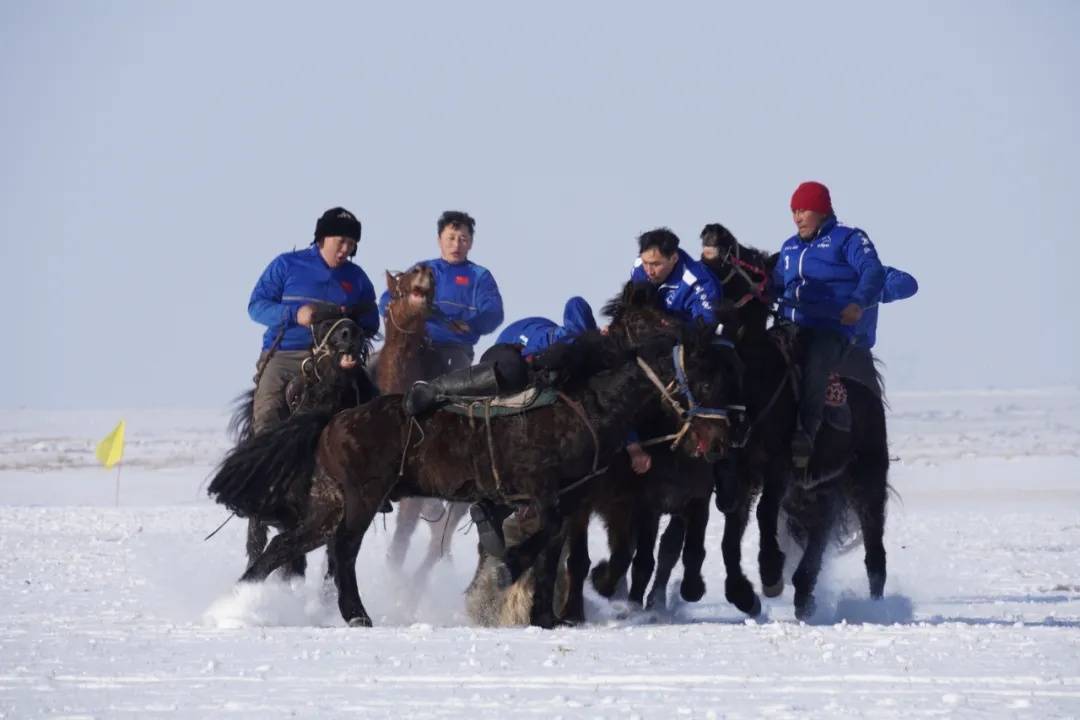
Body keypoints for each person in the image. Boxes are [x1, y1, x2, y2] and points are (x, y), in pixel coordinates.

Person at [770, 181, 885, 469]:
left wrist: (857, 303)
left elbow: (872, 271)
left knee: (816, 362)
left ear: (821, 210)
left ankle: (806, 435)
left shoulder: (848, 239)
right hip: (789, 325)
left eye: (804, 210)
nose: (797, 217)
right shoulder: (789, 247)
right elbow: (774, 284)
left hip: (830, 329)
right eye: (794, 211)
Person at [248, 206, 379, 434]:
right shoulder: (286, 265)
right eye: (341, 241)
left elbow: (371, 322)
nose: (345, 249)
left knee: (370, 416)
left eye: (351, 244)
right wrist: (294, 314)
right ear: (322, 238)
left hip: (335, 358)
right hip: (286, 354)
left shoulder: (357, 278)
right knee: (267, 417)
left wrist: (352, 343)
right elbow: (256, 307)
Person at [623, 228, 725, 475]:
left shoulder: (699, 282)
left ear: (674, 258)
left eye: (656, 264)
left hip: (689, 345)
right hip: (652, 341)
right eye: (646, 263)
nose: (649, 270)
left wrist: (672, 328)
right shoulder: (641, 267)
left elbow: (708, 326)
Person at [389, 210, 505, 411]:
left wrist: (472, 325)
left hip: (454, 349)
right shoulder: (422, 270)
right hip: (415, 344)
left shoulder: (479, 276)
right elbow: (391, 296)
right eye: (450, 238)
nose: (456, 244)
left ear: (470, 243)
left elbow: (494, 313)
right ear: (439, 240)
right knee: (376, 367)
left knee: (458, 386)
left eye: (463, 239)